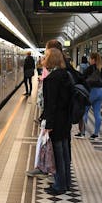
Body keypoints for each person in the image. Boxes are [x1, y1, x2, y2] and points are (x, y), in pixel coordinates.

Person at [42, 48, 72, 195]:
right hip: (65, 120)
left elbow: (51, 104)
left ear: (51, 59)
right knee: (65, 153)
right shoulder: (66, 75)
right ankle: (66, 183)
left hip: (56, 121)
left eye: (46, 56)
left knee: (57, 155)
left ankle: (59, 185)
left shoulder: (52, 78)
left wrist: (49, 124)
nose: (44, 57)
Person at [75, 53, 102, 139]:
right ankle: (95, 134)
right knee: (97, 113)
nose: (89, 60)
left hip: (92, 91)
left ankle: (82, 133)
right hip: (101, 91)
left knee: (84, 111)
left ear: (93, 59)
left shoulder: (91, 68)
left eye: (90, 59)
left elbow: (82, 78)